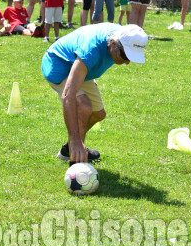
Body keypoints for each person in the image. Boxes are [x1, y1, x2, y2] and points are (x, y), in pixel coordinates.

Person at [41, 23, 148, 164]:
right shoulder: (91, 49)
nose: (127, 62)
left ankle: (69, 149)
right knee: (84, 106)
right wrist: (75, 139)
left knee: (98, 113)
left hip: (83, 68)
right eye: (125, 56)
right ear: (113, 44)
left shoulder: (126, 34)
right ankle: (76, 161)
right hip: (59, 64)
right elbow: (68, 95)